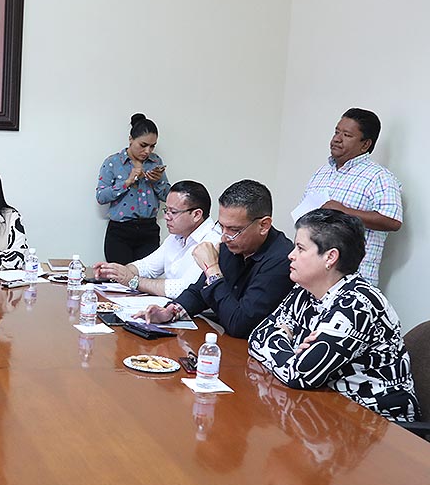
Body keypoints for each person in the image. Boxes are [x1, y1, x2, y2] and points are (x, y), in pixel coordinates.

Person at [248, 209, 417, 422]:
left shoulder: (358, 304)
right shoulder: (304, 289)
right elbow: (257, 336)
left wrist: (284, 339)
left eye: (300, 248)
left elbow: (299, 375)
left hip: (376, 424)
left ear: (330, 257)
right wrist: (292, 352)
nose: (291, 255)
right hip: (322, 407)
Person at [140, 179, 293, 339]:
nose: (224, 237)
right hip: (222, 337)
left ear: (264, 225)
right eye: (221, 226)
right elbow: (199, 291)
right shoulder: (232, 243)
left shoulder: (282, 259)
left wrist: (212, 269)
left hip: (251, 345)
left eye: (234, 229)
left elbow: (240, 324)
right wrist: (170, 312)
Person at [294, 108, 402, 286]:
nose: (337, 139)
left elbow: (393, 221)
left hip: (353, 281)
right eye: (336, 132)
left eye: (347, 135)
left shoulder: (380, 177)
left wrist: (345, 211)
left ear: (365, 144)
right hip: (313, 277)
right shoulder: (321, 173)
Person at [92, 180, 220, 298]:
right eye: (166, 210)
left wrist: (132, 281)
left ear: (196, 214)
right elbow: (147, 267)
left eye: (173, 212)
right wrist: (115, 271)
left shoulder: (212, 242)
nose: (166, 217)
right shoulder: (176, 236)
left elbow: (184, 288)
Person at [95, 113, 170, 264]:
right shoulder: (113, 162)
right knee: (119, 276)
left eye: (152, 146)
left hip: (148, 230)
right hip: (120, 231)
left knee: (146, 276)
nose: (148, 151)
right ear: (131, 139)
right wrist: (127, 182)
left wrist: (156, 182)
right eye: (143, 145)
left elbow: (168, 196)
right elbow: (101, 197)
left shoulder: (156, 162)